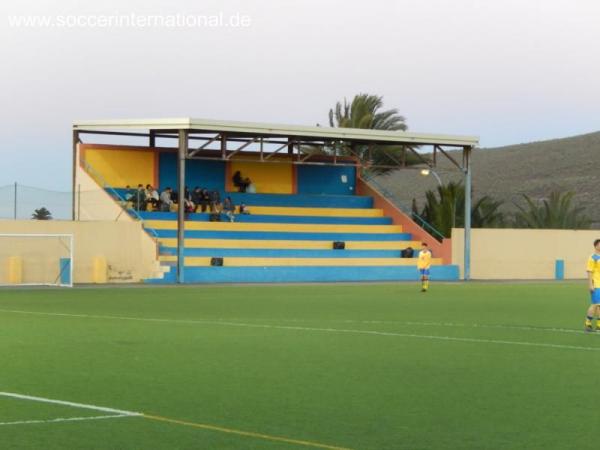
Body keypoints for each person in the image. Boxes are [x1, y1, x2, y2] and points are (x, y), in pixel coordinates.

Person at [584, 239, 600, 332]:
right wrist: (590, 284)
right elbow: (589, 271)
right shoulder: (593, 257)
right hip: (596, 284)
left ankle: (599, 325)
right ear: (596, 246)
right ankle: (588, 323)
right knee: (595, 304)